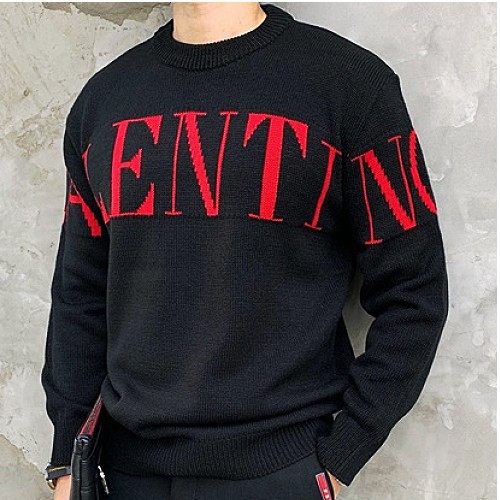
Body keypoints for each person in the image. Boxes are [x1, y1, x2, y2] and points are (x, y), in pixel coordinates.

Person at [41, 2, 449, 499]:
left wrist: (343, 453)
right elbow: (79, 292)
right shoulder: (103, 101)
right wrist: (67, 457)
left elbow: (415, 289)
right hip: (121, 470)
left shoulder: (349, 84)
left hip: (280, 468)